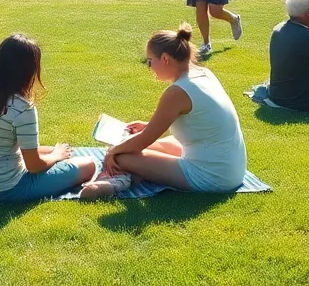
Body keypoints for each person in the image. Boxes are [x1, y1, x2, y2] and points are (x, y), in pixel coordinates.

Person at [82, 24, 246, 198]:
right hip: (230, 168)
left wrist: (113, 151)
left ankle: (120, 180)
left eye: (150, 61)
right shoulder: (204, 73)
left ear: (166, 59)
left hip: (212, 176)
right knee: (131, 145)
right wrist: (148, 125)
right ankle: (127, 176)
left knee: (123, 155)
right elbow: (196, 121)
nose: (149, 67)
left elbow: (144, 140)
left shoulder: (177, 92)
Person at [0, 34, 97, 201]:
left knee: (51, 150)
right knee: (88, 164)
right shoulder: (22, 108)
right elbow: (34, 166)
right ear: (29, 71)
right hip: (4, 189)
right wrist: (57, 156)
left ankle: (55, 153)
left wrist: (53, 152)